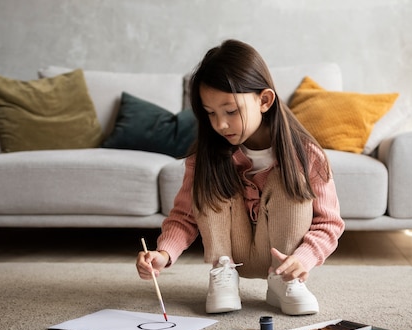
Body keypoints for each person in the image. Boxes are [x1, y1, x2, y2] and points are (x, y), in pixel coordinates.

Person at [136, 39, 344, 315]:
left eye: (231, 111)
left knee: (290, 179)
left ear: (264, 100)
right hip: (231, 254)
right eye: (210, 113)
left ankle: (283, 282)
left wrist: (302, 260)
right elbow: (184, 215)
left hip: (282, 259)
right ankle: (224, 276)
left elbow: (329, 223)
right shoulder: (205, 156)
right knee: (212, 173)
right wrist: (164, 253)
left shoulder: (307, 154)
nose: (220, 124)